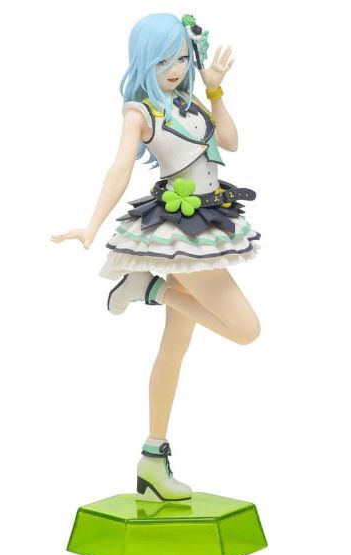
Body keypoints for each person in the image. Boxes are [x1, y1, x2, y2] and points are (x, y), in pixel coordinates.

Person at [51, 13, 261, 502]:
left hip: (209, 220)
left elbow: (231, 142)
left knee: (175, 346)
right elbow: (120, 168)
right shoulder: (140, 112)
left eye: (183, 57)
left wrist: (214, 88)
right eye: (165, 60)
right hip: (184, 231)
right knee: (246, 330)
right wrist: (91, 225)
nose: (176, 68)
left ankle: (152, 458)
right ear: (145, 60)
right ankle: (149, 287)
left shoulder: (191, 101)